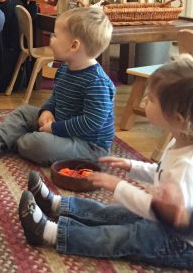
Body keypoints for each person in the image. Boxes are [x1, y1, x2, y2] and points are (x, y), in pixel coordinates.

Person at [18, 54, 193, 269]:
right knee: (114, 212)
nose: (145, 100)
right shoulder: (178, 142)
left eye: (152, 99)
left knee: (122, 235)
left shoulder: (187, 167)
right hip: (162, 221)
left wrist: (118, 186)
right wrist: (132, 166)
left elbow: (160, 212)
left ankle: (49, 233)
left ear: (177, 118)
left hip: (178, 243)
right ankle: (56, 205)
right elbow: (160, 171)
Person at [0, 6, 114, 165]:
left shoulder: (97, 82)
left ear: (74, 46)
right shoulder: (65, 69)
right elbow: (56, 96)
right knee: (24, 111)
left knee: (39, 144)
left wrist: (55, 128)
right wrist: (47, 110)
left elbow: (91, 122)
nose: (51, 39)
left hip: (88, 146)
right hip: (61, 126)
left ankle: (13, 138)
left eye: (55, 35)